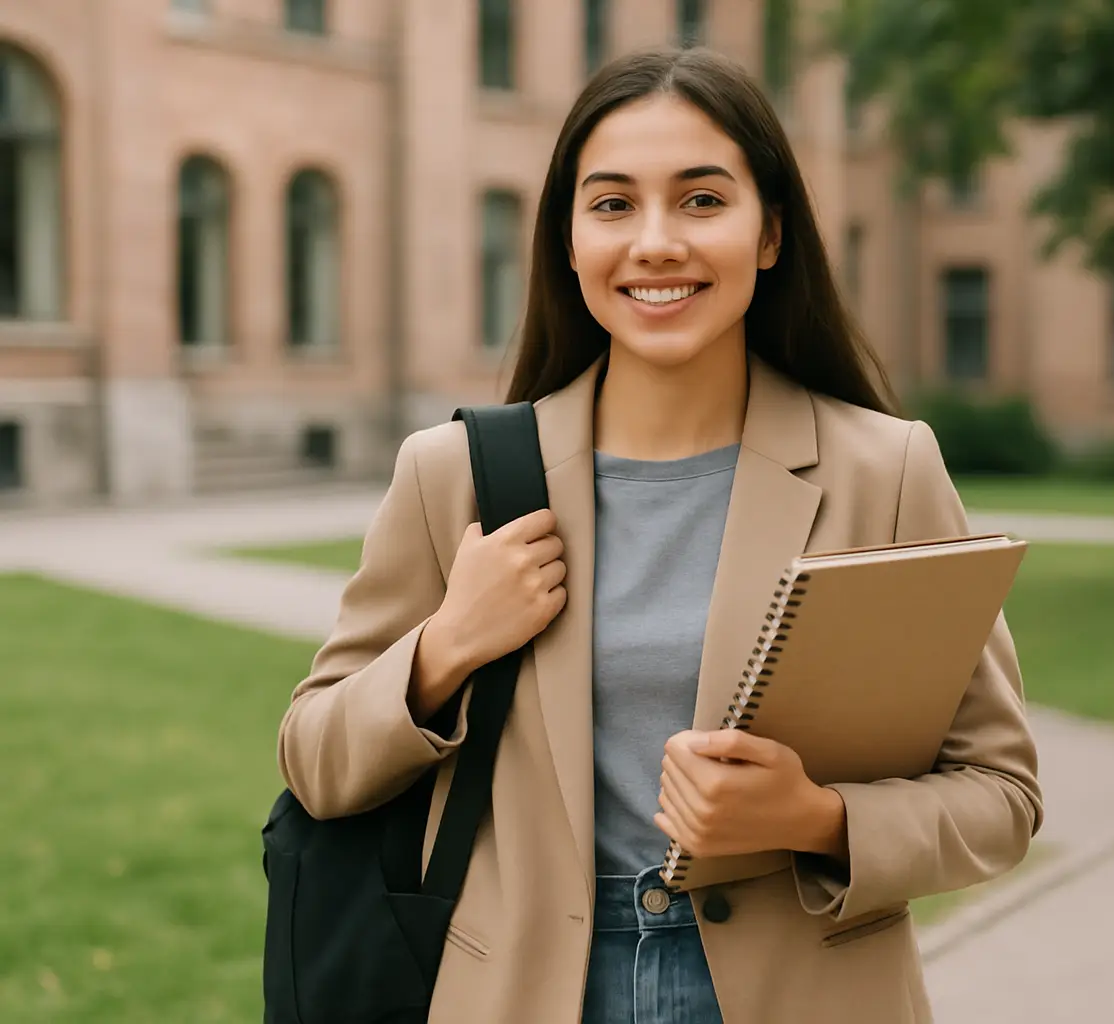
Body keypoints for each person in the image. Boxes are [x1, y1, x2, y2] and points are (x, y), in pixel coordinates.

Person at [277, 46, 1041, 1024]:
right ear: (566, 239)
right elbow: (314, 756)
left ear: (770, 233)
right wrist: (446, 647)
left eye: (701, 200)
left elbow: (1000, 793)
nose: (655, 242)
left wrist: (816, 818)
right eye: (611, 204)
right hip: (523, 993)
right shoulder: (456, 473)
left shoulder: (884, 470)